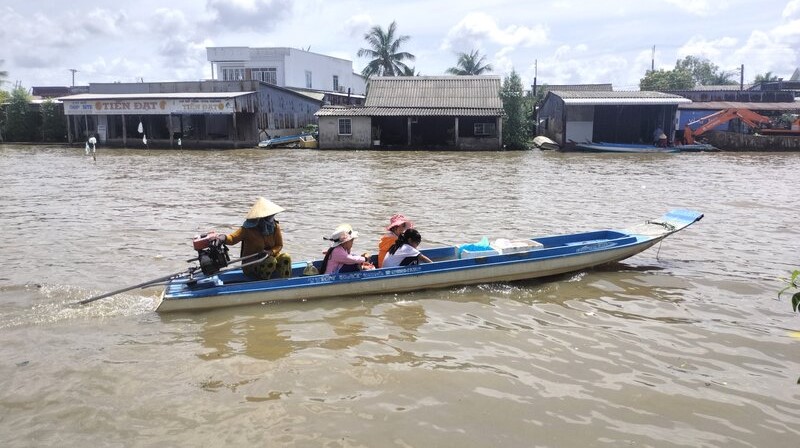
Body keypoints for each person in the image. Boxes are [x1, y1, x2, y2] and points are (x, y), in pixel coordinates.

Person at [216, 197, 292, 280]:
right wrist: (222, 238)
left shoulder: (274, 227)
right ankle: (264, 283)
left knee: (285, 257)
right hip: (252, 263)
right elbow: (232, 238)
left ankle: (285, 281)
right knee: (270, 261)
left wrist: (270, 252)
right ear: (261, 218)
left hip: (270, 257)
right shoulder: (247, 229)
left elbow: (279, 245)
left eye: (272, 216)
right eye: (269, 217)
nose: (272, 219)